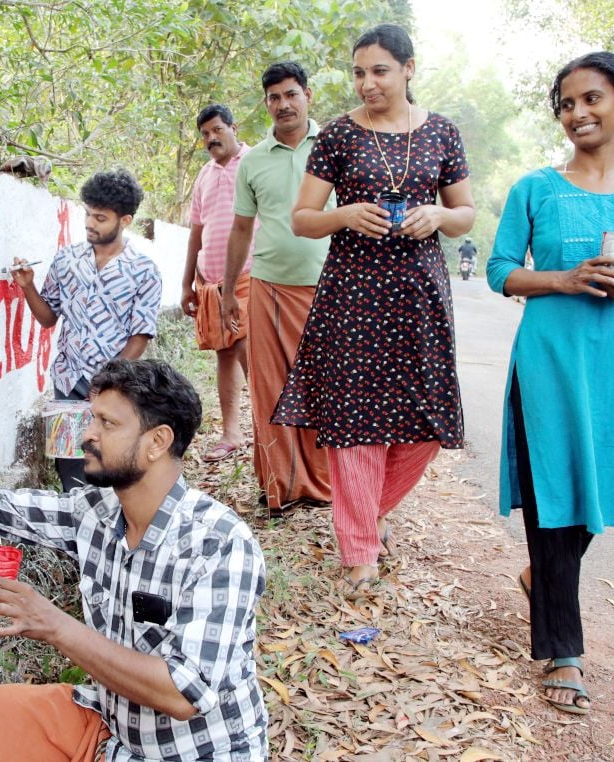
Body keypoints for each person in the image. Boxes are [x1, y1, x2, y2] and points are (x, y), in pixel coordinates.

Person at [0, 360, 268, 760]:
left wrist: (55, 626)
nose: (87, 435)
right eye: (91, 418)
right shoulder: (96, 512)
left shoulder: (219, 544)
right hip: (116, 730)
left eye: (107, 423)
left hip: (193, 752)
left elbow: (183, 694)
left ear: (157, 442)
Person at [487, 52, 614, 715]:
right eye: (567, 104)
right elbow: (500, 270)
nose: (578, 113)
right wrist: (564, 279)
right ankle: (564, 652)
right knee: (553, 489)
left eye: (592, 99)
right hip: (547, 359)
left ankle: (542, 577)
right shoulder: (535, 189)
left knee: (608, 478)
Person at [271, 23, 476, 597]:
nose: (367, 83)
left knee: (427, 422)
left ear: (409, 69)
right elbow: (303, 217)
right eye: (359, 72)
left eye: (380, 71)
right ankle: (359, 546)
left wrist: (436, 217)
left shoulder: (442, 133)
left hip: (418, 296)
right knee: (356, 419)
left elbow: (466, 213)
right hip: (353, 296)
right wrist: (344, 214)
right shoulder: (337, 136)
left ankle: (365, 510)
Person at [221, 62, 332, 511]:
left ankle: (325, 485)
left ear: (308, 95)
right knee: (272, 388)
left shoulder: (335, 146)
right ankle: (282, 487)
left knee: (324, 386)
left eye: (291, 94)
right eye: (274, 98)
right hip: (266, 287)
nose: (283, 104)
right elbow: (241, 230)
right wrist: (229, 290)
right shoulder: (253, 161)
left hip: (328, 288)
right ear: (265, 103)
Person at [11, 169, 163, 492]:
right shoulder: (66, 261)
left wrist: (109, 379)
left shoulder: (143, 271)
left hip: (113, 387)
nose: (90, 223)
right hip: (67, 381)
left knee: (111, 462)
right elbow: (48, 318)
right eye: (88, 214)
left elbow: (141, 335)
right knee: (70, 465)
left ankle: (114, 530)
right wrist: (28, 287)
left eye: (101, 218)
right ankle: (76, 531)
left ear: (125, 221)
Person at [181, 103, 253, 463]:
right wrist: (186, 284)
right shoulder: (204, 176)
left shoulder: (255, 163)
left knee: (250, 350)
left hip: (249, 276)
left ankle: (271, 431)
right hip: (209, 284)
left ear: (233, 127)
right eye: (205, 134)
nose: (211, 138)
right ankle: (231, 433)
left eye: (217, 130)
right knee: (226, 352)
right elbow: (196, 233)